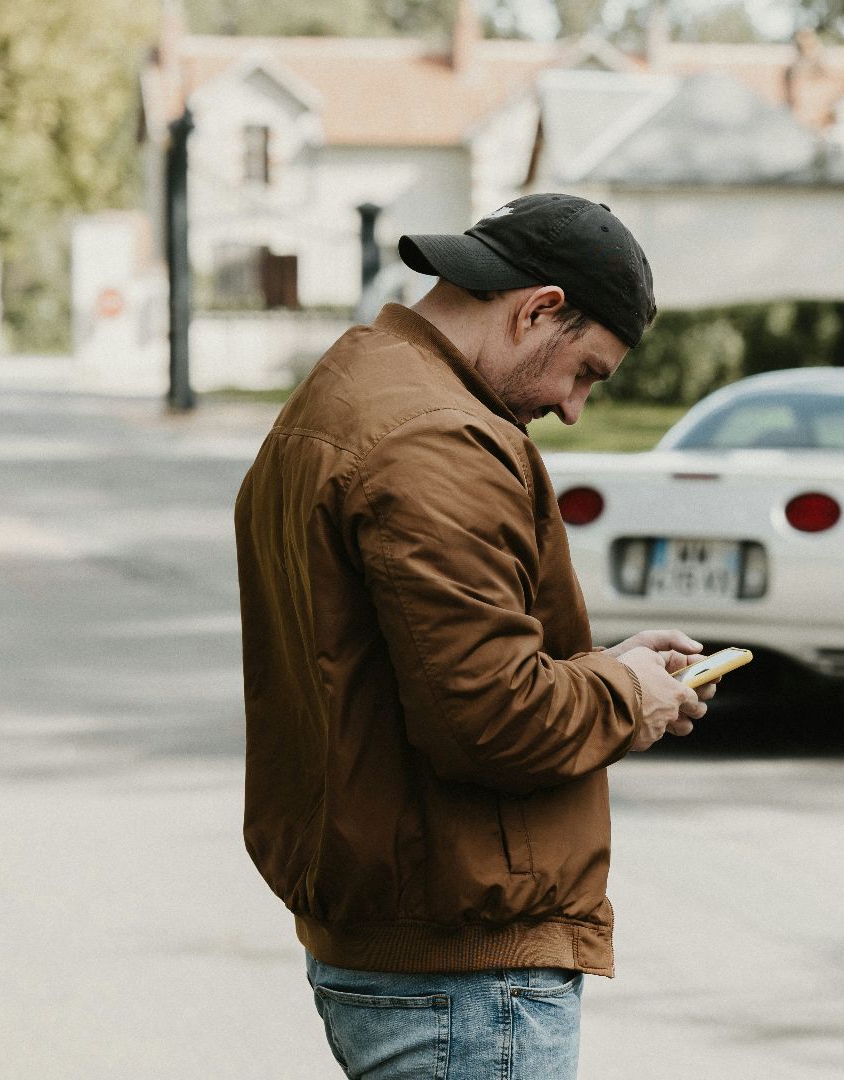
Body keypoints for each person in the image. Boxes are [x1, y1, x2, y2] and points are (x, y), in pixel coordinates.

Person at [233, 193, 711, 1079]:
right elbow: (494, 717)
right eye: (585, 372)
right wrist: (628, 695)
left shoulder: (351, 386)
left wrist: (606, 667)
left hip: (398, 933)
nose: (573, 409)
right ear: (538, 309)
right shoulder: (439, 439)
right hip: (461, 966)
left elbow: (412, 666)